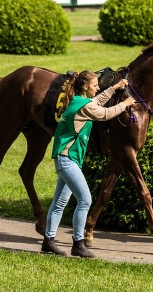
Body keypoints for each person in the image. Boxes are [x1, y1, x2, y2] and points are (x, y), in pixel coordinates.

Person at [42, 72, 135, 258]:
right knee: (85, 200)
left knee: (60, 202)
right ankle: (78, 244)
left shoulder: (77, 101)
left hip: (66, 158)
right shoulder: (83, 106)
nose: (97, 88)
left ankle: (48, 242)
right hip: (67, 159)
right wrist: (125, 104)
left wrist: (113, 88)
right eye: (95, 85)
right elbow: (106, 113)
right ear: (85, 87)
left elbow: (96, 103)